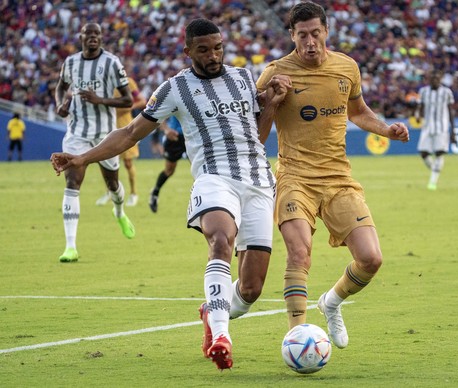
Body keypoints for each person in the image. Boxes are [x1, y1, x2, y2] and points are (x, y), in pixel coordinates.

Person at [51, 18, 288, 370]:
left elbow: (256, 137)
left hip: (258, 182)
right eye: (204, 50)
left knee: (251, 288)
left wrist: (271, 104)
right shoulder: (174, 88)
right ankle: (222, 338)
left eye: (218, 47)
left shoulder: (243, 80)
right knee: (221, 239)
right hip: (213, 179)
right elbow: (130, 133)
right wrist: (82, 157)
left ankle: (212, 312)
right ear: (188, 51)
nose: (213, 55)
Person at [255, 1, 409, 350]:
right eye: (302, 35)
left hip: (338, 179)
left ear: (326, 31)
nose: (310, 41)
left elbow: (358, 111)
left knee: (371, 259)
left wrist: (387, 130)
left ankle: (332, 302)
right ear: (292, 36)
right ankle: (297, 336)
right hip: (295, 177)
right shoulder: (275, 73)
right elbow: (257, 135)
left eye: (315, 33)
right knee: (299, 253)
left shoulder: (347, 67)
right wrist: (273, 102)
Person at [54, 22, 136, 263]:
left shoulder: (112, 63)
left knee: (112, 183)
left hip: (105, 135)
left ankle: (119, 212)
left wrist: (99, 100)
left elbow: (128, 101)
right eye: (89, 34)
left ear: (101, 38)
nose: (93, 38)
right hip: (77, 132)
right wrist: (60, 105)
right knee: (72, 181)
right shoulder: (70, 62)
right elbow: (61, 87)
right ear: (81, 37)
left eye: (97, 34)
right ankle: (70, 247)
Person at [96, 77, 147, 207]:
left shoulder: (128, 82)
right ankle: (109, 191)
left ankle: (133, 194)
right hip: (107, 126)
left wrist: (129, 106)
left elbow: (142, 101)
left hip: (125, 125)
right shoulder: (102, 83)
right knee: (105, 162)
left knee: (128, 162)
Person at [415, 69, 456, 191]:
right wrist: (418, 115)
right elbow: (420, 107)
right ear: (429, 80)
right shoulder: (423, 92)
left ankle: (432, 182)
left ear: (440, 79)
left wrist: (453, 130)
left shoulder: (446, 92)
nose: (435, 81)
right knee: (423, 153)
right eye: (432, 79)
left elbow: (450, 111)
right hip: (427, 127)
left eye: (437, 79)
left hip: (441, 128)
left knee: (439, 153)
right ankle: (436, 170)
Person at [148, 115, 187, 213]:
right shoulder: (176, 99)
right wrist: (166, 129)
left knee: (198, 170)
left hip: (193, 136)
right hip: (175, 137)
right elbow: (159, 114)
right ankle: (155, 193)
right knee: (169, 171)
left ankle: (202, 204)